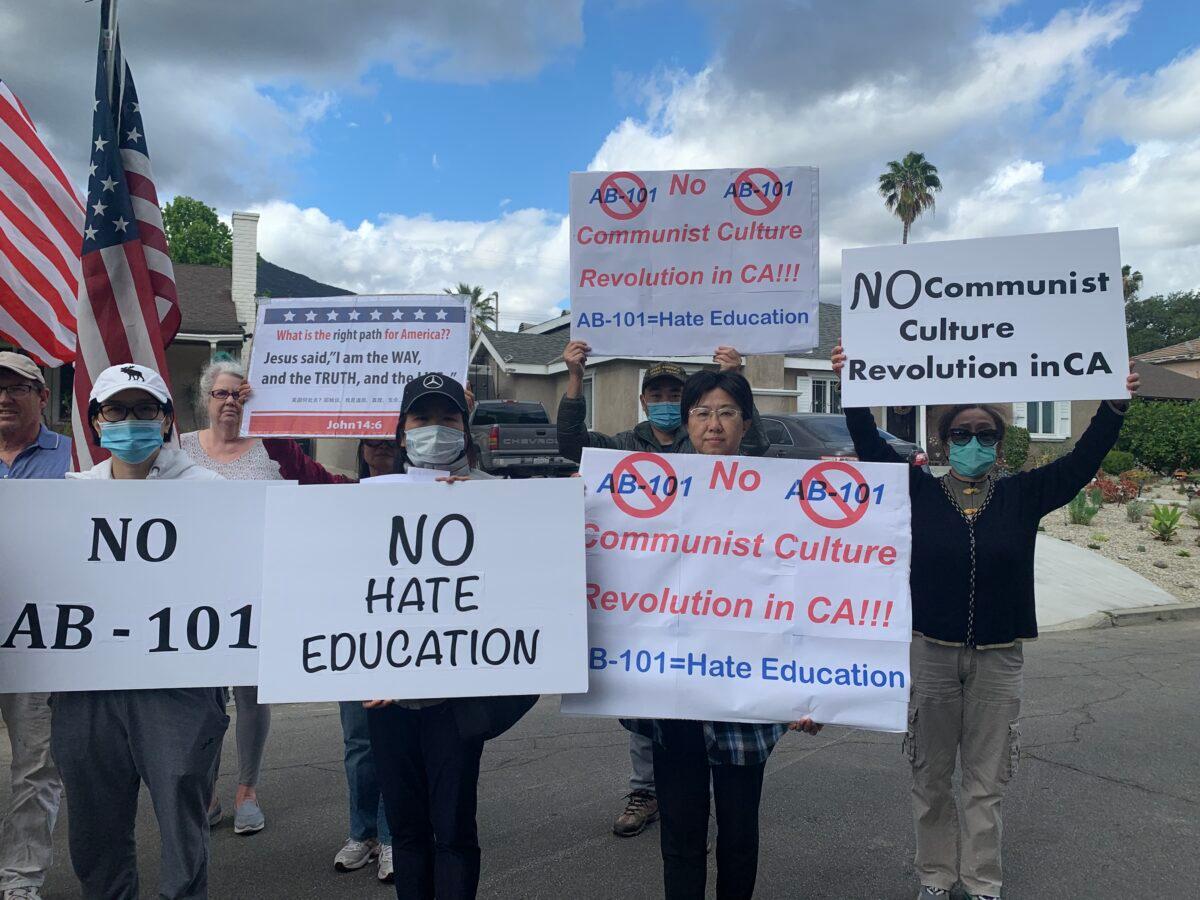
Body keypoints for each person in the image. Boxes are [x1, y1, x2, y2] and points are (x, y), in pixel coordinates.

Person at [831, 343, 1139, 900]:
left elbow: (1082, 460)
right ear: (944, 441)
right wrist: (852, 386)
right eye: (962, 434)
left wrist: (1113, 407)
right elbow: (870, 445)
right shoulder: (917, 492)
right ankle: (935, 877)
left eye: (985, 434)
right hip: (931, 654)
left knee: (985, 780)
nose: (973, 443)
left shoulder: (1024, 495)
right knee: (930, 776)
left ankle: (981, 882)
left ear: (1000, 443)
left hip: (999, 658)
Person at [627, 369, 821, 900]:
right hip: (673, 697)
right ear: (686, 421)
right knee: (680, 833)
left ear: (746, 423)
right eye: (702, 412)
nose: (714, 424)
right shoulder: (649, 488)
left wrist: (814, 688)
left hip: (748, 698)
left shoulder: (783, 495)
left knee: (739, 833)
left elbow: (812, 583)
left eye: (727, 412)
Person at [556, 342, 764, 838]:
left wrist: (735, 379)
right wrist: (574, 378)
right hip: (647, 593)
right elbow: (571, 444)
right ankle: (645, 791)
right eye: (658, 394)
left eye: (676, 394)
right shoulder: (623, 446)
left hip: (707, 590)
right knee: (647, 690)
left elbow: (753, 451)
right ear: (644, 401)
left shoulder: (703, 442)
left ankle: (702, 793)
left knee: (701, 697)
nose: (666, 401)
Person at [54, 363, 229, 900]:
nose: (131, 420)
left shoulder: (212, 492)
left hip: (179, 686)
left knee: (182, 823)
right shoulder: (68, 496)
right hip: (87, 687)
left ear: (166, 419)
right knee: (94, 828)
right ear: (96, 421)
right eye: (116, 410)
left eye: (144, 409)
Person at [364, 373, 536, 900]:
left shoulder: (499, 498)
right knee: (407, 830)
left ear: (465, 429)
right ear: (402, 431)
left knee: (455, 830)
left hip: (455, 705)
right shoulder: (369, 500)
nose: (434, 430)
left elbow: (529, 584)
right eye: (422, 419)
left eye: (447, 419)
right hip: (388, 701)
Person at [236, 383, 398, 882]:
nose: (380, 449)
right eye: (372, 442)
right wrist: (266, 413)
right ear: (361, 449)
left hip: (407, 636)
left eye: (389, 441)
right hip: (354, 637)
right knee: (359, 742)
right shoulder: (341, 491)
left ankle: (393, 838)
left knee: (396, 742)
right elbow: (294, 465)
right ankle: (361, 833)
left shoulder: (431, 493)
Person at [179, 358, 280, 836]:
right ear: (206, 399)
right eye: (221, 393)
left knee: (252, 696)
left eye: (240, 394)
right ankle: (209, 792)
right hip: (195, 594)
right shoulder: (179, 449)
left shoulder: (269, 451)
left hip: (254, 591)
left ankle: (247, 790)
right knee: (204, 699)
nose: (230, 402)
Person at [0, 351, 69, 900]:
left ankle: (20, 877)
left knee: (36, 765)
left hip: (39, 636)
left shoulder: (74, 459)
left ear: (43, 397)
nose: (4, 397)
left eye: (18, 388)